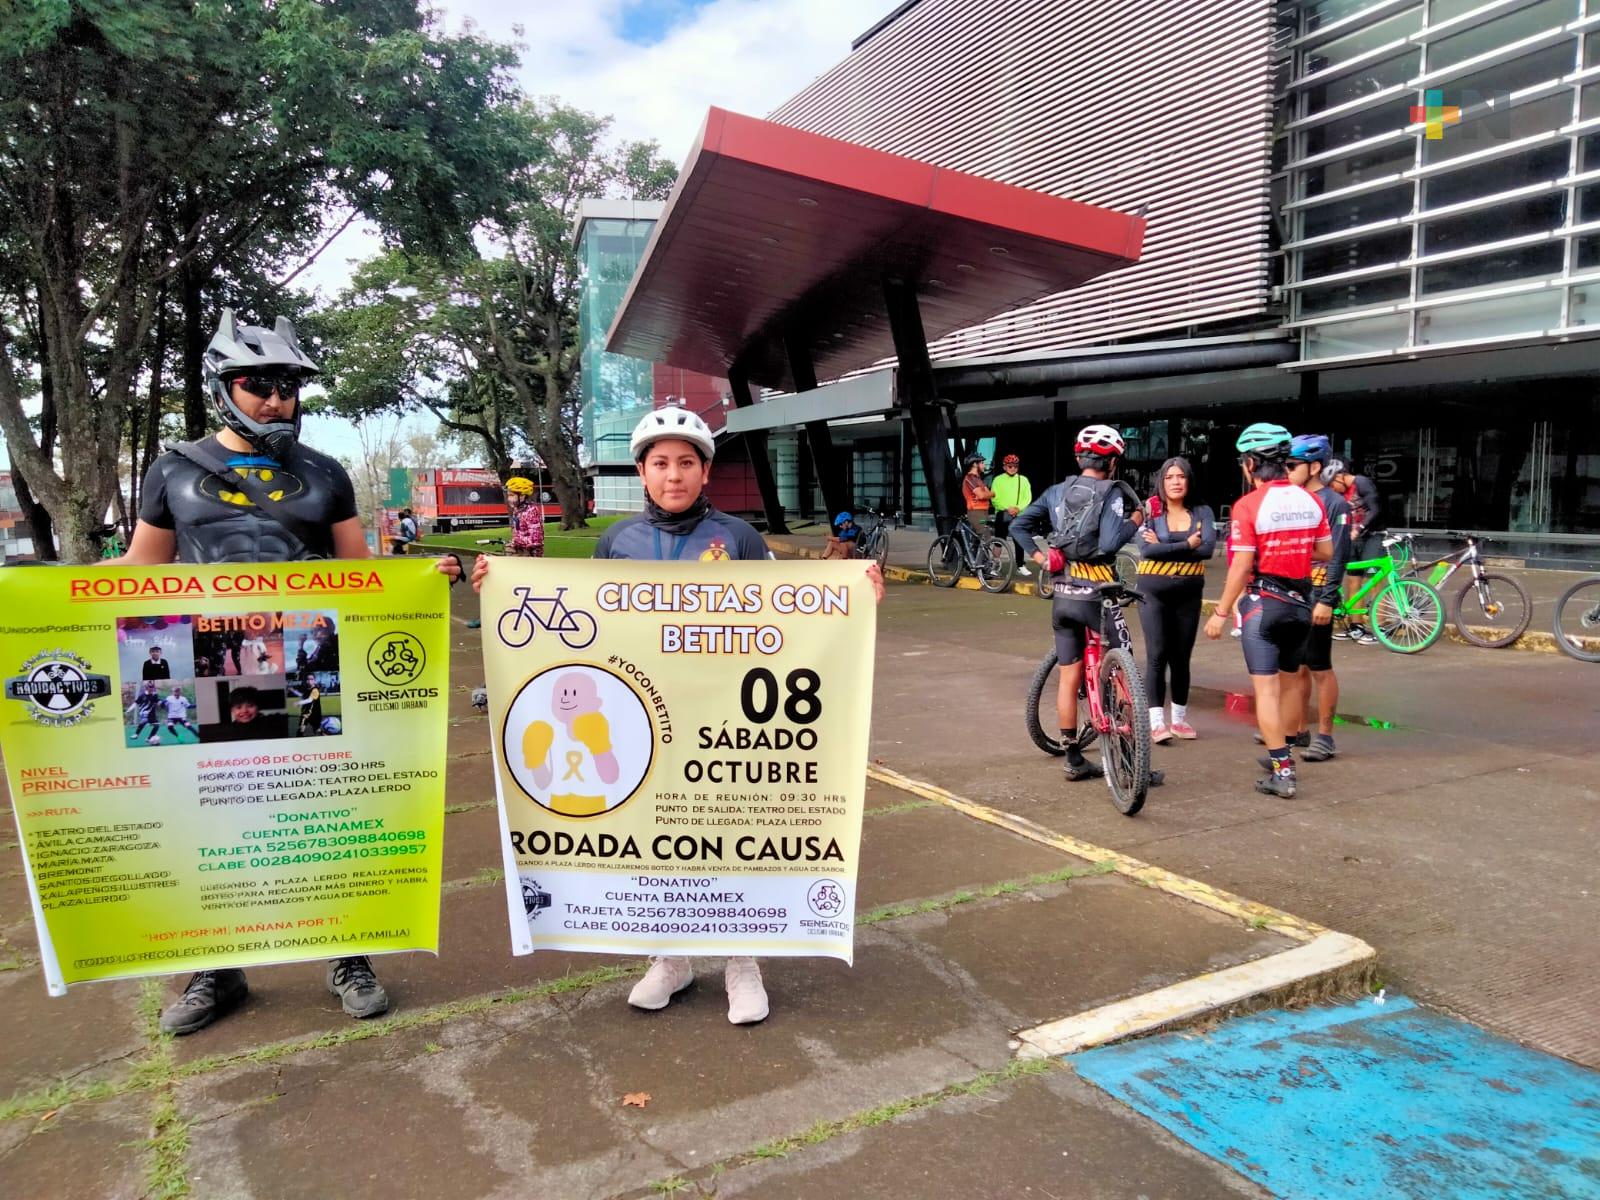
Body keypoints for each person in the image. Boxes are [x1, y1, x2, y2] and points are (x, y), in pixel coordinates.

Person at [107, 308, 462, 1035]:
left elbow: (360, 574)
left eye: (287, 386)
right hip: (208, 663)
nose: (276, 399)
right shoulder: (172, 470)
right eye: (258, 384)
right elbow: (136, 574)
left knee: (325, 817)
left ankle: (349, 955)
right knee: (213, 820)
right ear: (223, 386)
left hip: (308, 660)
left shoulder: (324, 473)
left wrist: (428, 572)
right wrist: (37, 598)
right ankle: (217, 969)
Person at [471, 407, 883, 1025]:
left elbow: (792, 611)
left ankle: (744, 965)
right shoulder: (617, 542)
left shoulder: (739, 538)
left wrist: (851, 593)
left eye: (686, 462)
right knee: (650, 838)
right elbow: (581, 626)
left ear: (706, 470)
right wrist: (500, 586)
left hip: (725, 712)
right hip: (646, 716)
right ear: (640, 471)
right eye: (660, 463)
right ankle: (671, 958)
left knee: (731, 838)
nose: (673, 474)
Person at [1010, 425, 1157, 784]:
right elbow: (1109, 543)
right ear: (1112, 463)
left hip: (1063, 595)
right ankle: (1134, 764)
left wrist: (1040, 557)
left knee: (1070, 674)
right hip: (1097, 595)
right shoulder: (1112, 492)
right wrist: (1137, 519)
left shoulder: (1057, 491)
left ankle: (1074, 758)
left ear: (1080, 458)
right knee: (1124, 674)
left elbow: (1019, 526)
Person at [1203, 424, 1332, 799]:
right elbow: (1324, 552)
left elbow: (1241, 566)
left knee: (1267, 691)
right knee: (1292, 681)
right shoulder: (1311, 500)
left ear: (1250, 464)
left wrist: (1221, 613)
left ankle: (1283, 772)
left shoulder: (1248, 506)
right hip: (1300, 605)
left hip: (1264, 604)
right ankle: (1285, 753)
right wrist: (1291, 547)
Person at [1280, 434, 1352, 763]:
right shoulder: (1288, 500)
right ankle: (1296, 728)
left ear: (1314, 467)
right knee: (1296, 667)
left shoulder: (1335, 503)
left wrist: (1327, 598)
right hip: (1291, 592)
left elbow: (1337, 556)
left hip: (1319, 591)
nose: (1287, 470)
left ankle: (1326, 735)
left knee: (1320, 665)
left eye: (1292, 465)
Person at [1136, 457, 1215, 742]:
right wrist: (1186, 545)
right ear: (1162, 482)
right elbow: (1147, 550)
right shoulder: (1150, 510)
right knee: (1157, 654)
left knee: (1181, 657)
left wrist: (1165, 546)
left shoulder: (1202, 511)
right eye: (1169, 477)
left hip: (1189, 593)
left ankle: (1179, 720)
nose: (1176, 482)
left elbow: (1207, 549)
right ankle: (1156, 722)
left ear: (1189, 480)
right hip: (1152, 592)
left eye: (1181, 476)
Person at [1328, 459, 1385, 644]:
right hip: (1351, 539)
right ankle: (1356, 626)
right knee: (1353, 581)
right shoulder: (1338, 493)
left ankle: (1380, 628)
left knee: (1374, 580)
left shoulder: (1361, 482)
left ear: (1340, 476)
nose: (1332, 489)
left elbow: (1375, 509)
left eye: (1332, 484)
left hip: (1372, 536)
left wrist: (1358, 528)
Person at [991, 454, 1033, 575]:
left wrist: (1018, 508)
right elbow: (994, 498)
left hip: (1018, 514)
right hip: (1003, 513)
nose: (1013, 468)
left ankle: (1020, 565)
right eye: (1010, 466)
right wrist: (1007, 508)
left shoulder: (1023, 480)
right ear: (1004, 467)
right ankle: (995, 565)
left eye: (1015, 466)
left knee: (1019, 540)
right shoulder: (998, 480)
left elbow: (1027, 497)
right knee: (999, 541)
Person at [506, 477, 546, 558]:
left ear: (522, 496)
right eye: (508, 495)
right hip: (520, 554)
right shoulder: (517, 510)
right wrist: (514, 543)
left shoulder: (531, 511)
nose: (509, 499)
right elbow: (519, 533)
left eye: (512, 495)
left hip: (531, 557)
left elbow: (536, 540)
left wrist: (517, 541)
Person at [960, 453, 992, 535]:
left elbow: (987, 493)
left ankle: (973, 547)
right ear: (975, 464)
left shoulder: (978, 479)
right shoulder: (970, 478)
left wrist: (987, 494)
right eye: (982, 463)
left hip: (983, 512)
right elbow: (982, 495)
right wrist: (992, 493)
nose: (984, 466)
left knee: (978, 539)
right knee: (986, 534)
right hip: (976, 513)